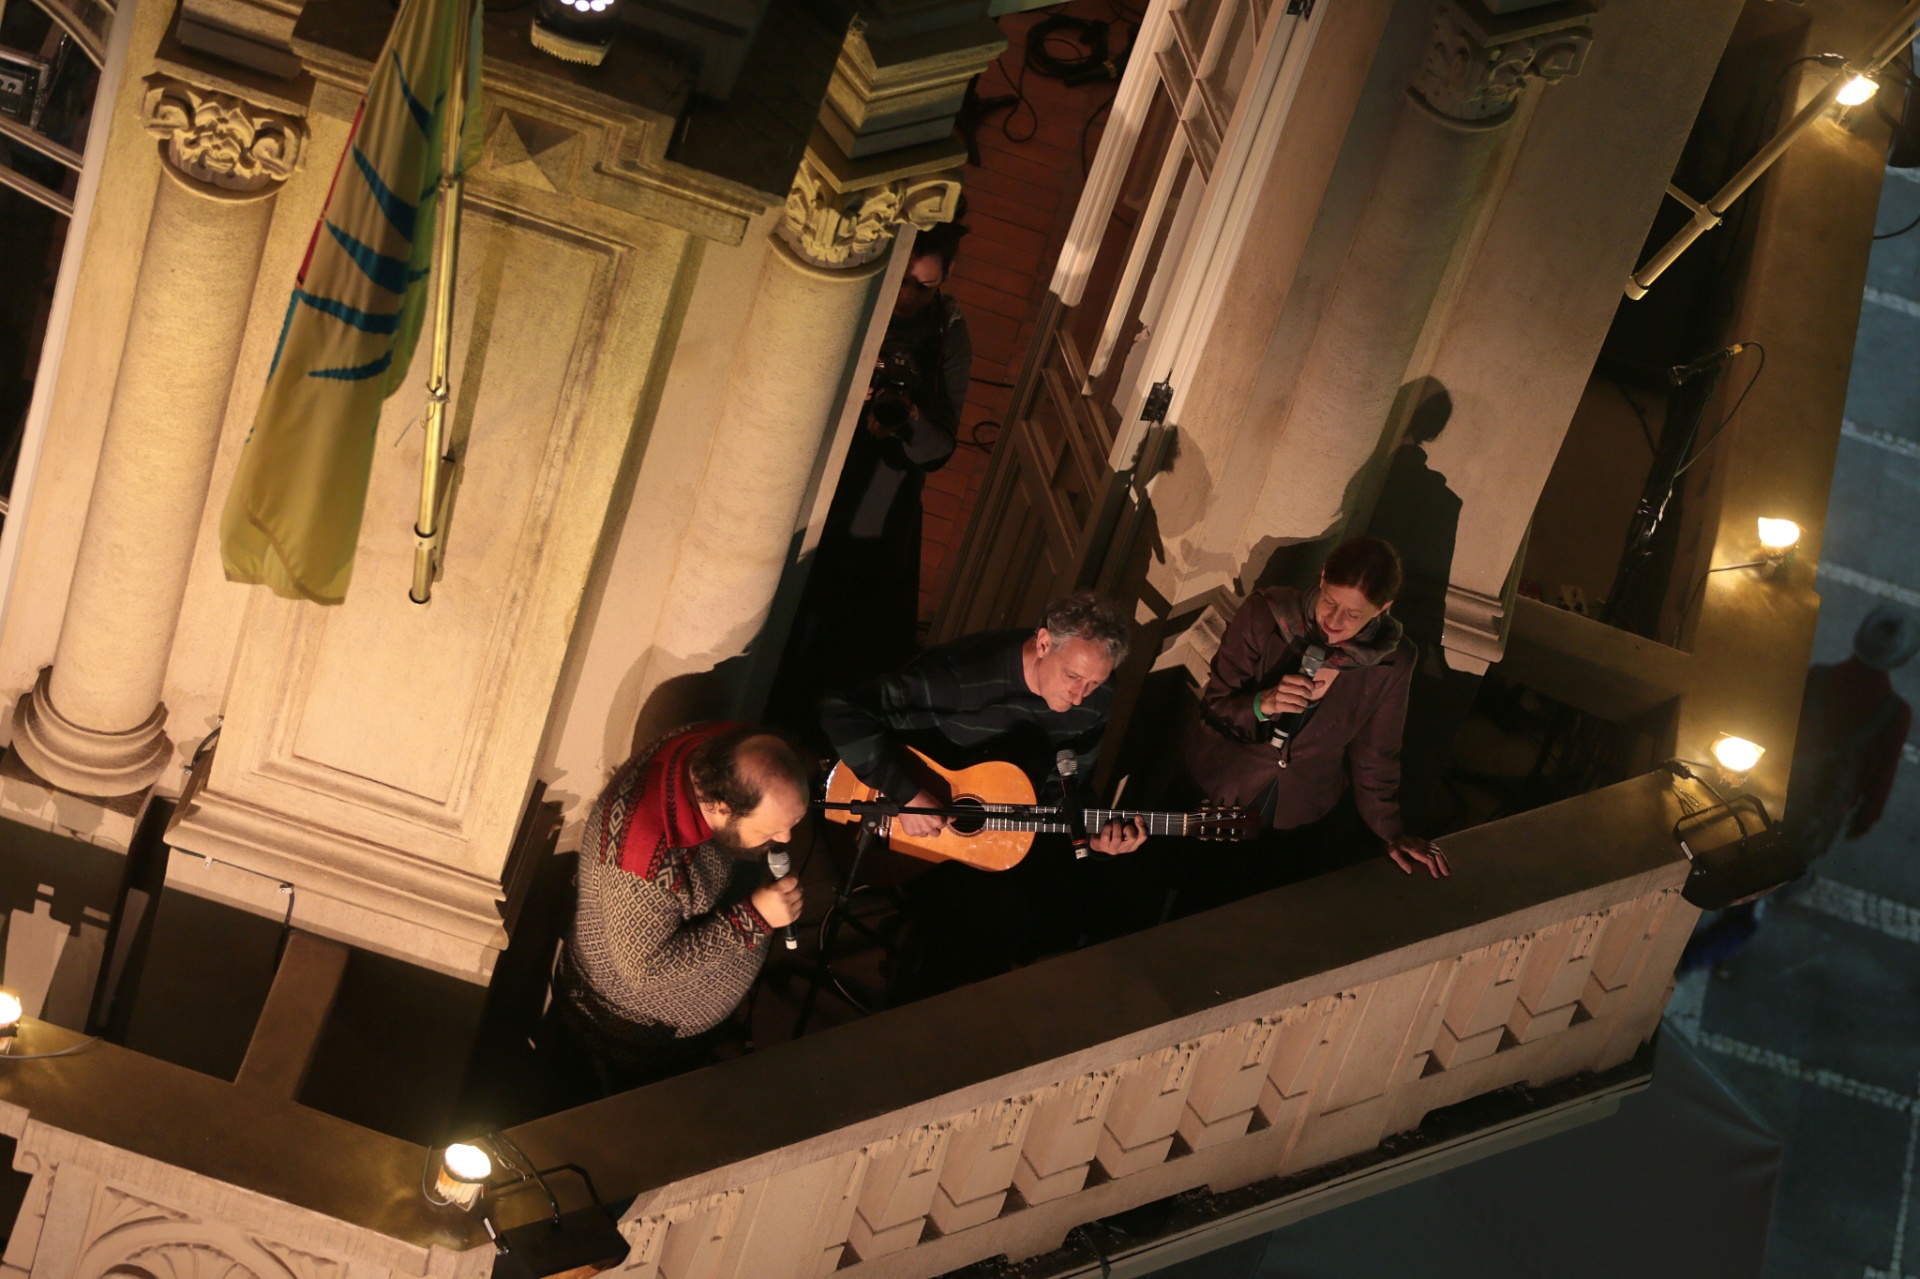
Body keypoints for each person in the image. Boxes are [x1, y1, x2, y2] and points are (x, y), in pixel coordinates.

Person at [819, 593, 1147, 987]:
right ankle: (919, 1006)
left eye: (1094, 683)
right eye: (1073, 677)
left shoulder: (1097, 699)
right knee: (992, 919)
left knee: (1121, 893)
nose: (1080, 696)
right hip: (912, 834)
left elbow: (1068, 787)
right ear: (1044, 643)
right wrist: (906, 794)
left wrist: (1092, 838)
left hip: (1007, 829)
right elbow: (841, 709)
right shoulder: (960, 675)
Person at [775, 219, 976, 718]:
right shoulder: (854, 296)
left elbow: (939, 450)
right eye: (902, 279)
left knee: (838, 631)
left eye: (924, 286)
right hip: (807, 469)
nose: (907, 297)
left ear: (947, 276)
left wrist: (908, 418)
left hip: (878, 499)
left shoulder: (948, 331)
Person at [547, 722, 810, 1091]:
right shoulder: (639, 864)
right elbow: (644, 970)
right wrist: (754, 918)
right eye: (771, 831)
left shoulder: (724, 746)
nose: (786, 838)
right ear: (721, 808)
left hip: (687, 1023)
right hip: (634, 1029)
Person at [1183, 536, 1448, 880]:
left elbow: (1375, 755)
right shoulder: (1266, 615)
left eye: (1352, 614)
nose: (1334, 620)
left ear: (1383, 608)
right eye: (1330, 602)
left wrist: (1391, 833)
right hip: (1219, 791)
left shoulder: (1393, 661)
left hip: (1297, 818)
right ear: (1322, 577)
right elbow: (1215, 706)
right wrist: (1264, 703)